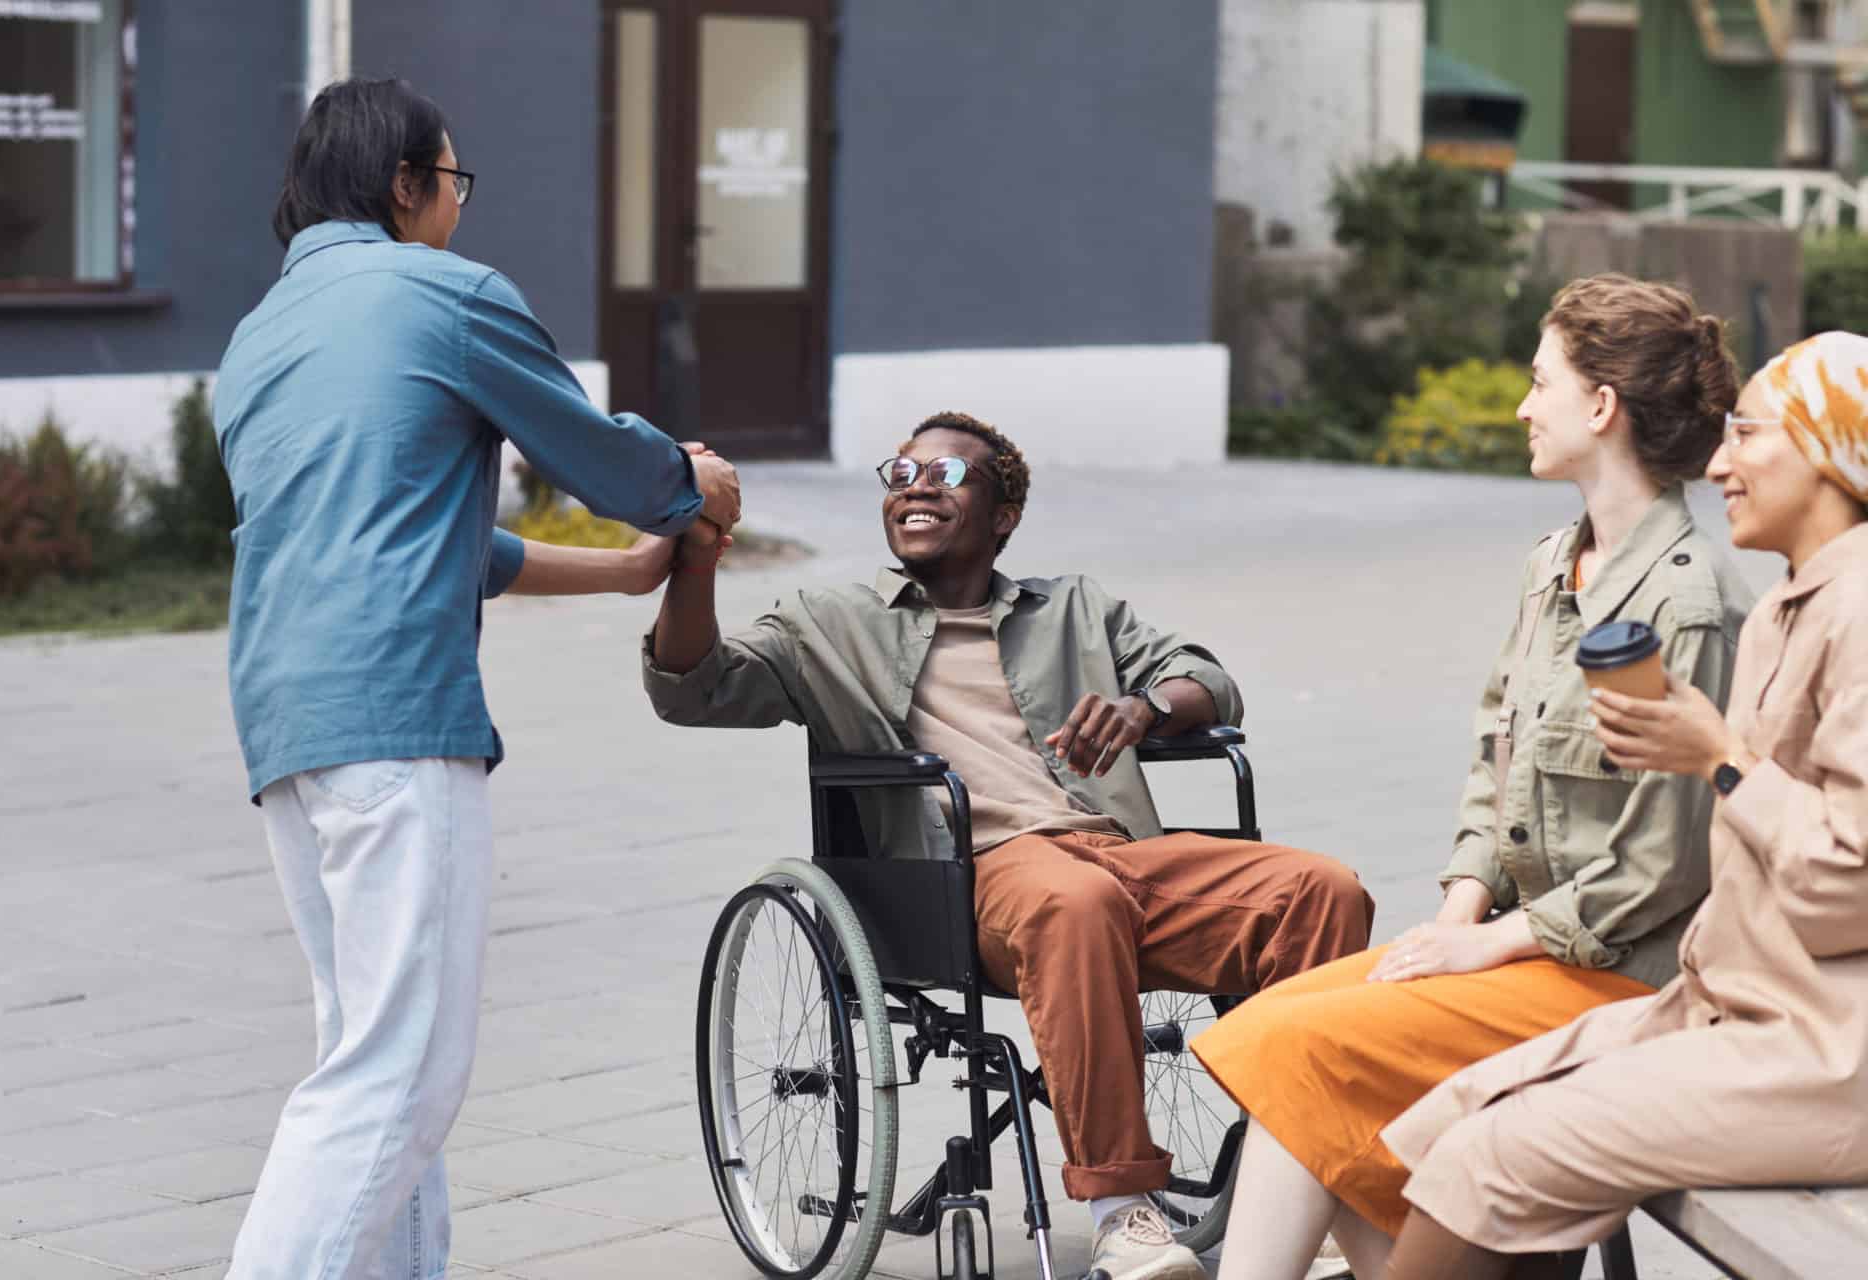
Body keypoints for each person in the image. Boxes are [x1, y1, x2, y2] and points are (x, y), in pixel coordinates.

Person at [645, 410, 1374, 1280]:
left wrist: (1145, 709)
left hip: (1114, 846)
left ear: (1003, 516)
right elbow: (695, 689)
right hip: (968, 875)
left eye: (948, 476)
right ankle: (1122, 1210)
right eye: (901, 473)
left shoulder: (1075, 610)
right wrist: (696, 559)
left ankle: (1299, 1183)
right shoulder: (827, 620)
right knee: (1077, 902)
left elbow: (1208, 678)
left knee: (1324, 890)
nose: (916, 485)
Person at [215, 79, 739, 1280]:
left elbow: (435, 538)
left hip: (287, 730)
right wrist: (693, 482)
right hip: (397, 718)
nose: (457, 206)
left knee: (368, 1055)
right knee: (397, 1079)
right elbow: (610, 460)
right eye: (452, 181)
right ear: (404, 185)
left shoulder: (262, 335)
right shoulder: (445, 296)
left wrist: (618, 581)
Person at [1187, 275, 1752, 1280]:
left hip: (1624, 975)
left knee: (1306, 1050)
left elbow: (1662, 864)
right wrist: (1455, 916)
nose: (1522, 407)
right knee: (1278, 1032)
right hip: (1527, 948)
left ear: (1601, 406)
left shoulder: (1688, 602)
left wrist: (1482, 945)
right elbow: (1498, 761)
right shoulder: (1553, 564)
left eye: (1540, 383)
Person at [1375, 330, 1868, 1279]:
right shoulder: (1786, 605)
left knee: (1489, 1155)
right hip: (1730, 1008)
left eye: (1749, 436)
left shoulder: (1856, 614)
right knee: (1443, 1122)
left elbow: (1846, 888)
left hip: (1823, 1052)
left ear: (1829, 448)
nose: (1718, 462)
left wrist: (1718, 757)